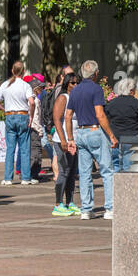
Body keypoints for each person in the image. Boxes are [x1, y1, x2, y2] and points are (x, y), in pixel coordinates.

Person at [65, 60, 118, 220]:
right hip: (95, 130)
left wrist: (70, 138)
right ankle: (110, 208)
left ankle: (86, 209)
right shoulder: (96, 89)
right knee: (107, 171)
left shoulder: (75, 90)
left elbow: (67, 116)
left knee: (85, 172)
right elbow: (100, 114)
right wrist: (111, 135)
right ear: (95, 74)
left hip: (80, 132)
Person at [0, 62, 35, 185]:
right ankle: (25, 178)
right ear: (23, 72)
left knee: (10, 149)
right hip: (22, 115)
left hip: (10, 116)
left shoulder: (5, 85)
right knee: (24, 148)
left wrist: (4, 109)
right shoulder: (25, 85)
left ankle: (8, 178)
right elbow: (32, 102)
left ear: (12, 70)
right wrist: (31, 116)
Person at [103, 77, 138, 179]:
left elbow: (105, 121)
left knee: (115, 165)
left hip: (115, 139)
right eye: (134, 89)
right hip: (132, 139)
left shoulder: (111, 104)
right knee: (129, 167)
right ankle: (127, 191)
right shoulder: (137, 103)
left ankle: (115, 190)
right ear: (131, 91)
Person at [49, 73, 82, 216]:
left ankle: (70, 202)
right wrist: (63, 140)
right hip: (62, 140)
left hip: (74, 140)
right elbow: (57, 119)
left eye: (77, 83)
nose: (75, 85)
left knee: (72, 172)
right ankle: (58, 204)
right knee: (64, 171)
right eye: (72, 83)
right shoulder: (63, 97)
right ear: (67, 84)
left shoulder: (77, 99)